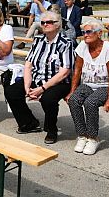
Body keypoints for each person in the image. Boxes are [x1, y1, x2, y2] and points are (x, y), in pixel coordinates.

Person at [4, 11, 74, 144]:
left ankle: (51, 129)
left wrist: (42, 89)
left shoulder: (66, 43)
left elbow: (64, 72)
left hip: (58, 82)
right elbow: (28, 65)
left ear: (58, 25)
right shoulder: (38, 40)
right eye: (43, 22)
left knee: (48, 99)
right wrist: (26, 86)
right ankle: (29, 123)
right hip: (37, 78)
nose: (45, 24)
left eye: (49, 22)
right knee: (12, 92)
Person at [66, 18, 109, 155]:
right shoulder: (82, 46)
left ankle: (93, 137)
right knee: (73, 100)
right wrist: (72, 91)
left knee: (91, 102)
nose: (85, 35)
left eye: (89, 31)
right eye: (84, 32)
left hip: (105, 86)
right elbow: (77, 71)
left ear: (99, 33)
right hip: (88, 84)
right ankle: (82, 135)